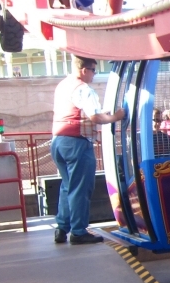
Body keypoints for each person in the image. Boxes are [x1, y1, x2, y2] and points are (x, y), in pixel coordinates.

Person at [51, 56, 125, 244]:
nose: (94, 75)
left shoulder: (63, 85)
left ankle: (62, 228)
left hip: (58, 141)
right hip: (77, 142)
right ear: (84, 70)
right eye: (93, 70)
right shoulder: (84, 89)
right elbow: (95, 117)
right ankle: (78, 231)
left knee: (67, 186)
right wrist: (116, 117)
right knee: (80, 188)